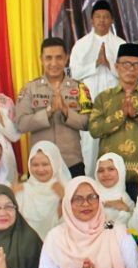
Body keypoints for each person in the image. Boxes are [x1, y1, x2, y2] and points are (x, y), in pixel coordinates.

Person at [89, 43, 138, 200]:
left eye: (136, 65)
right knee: (110, 215)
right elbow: (94, 130)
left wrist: (137, 115)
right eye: (126, 64)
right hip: (109, 176)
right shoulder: (104, 97)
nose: (131, 69)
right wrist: (121, 115)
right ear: (116, 66)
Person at [15, 37, 91, 176]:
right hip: (40, 165)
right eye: (48, 58)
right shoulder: (30, 88)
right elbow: (21, 124)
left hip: (72, 163)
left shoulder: (79, 88)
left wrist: (66, 111)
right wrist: (48, 112)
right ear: (41, 59)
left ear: (66, 58)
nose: (54, 63)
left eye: (59, 58)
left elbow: (88, 123)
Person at [70, 0, 125, 172]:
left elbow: (129, 74)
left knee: (115, 145)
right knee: (89, 147)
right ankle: (89, 181)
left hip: (114, 104)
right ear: (92, 20)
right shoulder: (81, 45)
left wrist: (109, 64)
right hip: (89, 105)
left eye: (106, 17)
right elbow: (74, 73)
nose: (102, 20)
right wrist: (95, 64)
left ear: (112, 20)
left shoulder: (121, 44)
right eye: (98, 17)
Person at [14, 141, 71, 240]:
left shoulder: (66, 189)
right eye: (35, 165)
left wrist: (64, 198)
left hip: (58, 244)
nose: (40, 169)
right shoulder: (23, 190)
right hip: (27, 245)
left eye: (45, 164)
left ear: (55, 164)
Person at [95, 152, 135, 226]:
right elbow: (94, 227)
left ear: (120, 171)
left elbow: (135, 229)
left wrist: (124, 208)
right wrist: (124, 213)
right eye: (101, 170)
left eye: (111, 169)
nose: (106, 174)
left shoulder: (125, 198)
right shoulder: (91, 196)